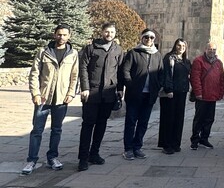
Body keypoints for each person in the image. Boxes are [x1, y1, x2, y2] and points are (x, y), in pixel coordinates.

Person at [21, 24, 79, 175]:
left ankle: (52, 158)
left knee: (56, 130)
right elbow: (34, 74)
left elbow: (74, 76)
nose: (61, 37)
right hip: (43, 98)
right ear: (54, 35)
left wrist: (71, 93)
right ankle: (31, 160)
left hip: (61, 99)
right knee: (37, 130)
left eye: (65, 35)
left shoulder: (73, 54)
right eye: (59, 34)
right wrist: (35, 93)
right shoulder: (43, 52)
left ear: (69, 36)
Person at [78, 22, 124, 171]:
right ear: (102, 32)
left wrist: (120, 89)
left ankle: (94, 153)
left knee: (102, 124)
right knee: (88, 124)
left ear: (115, 33)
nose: (109, 34)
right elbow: (83, 68)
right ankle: (83, 158)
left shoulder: (118, 50)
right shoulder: (91, 48)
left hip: (108, 93)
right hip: (92, 92)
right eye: (106, 32)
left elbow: (120, 71)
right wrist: (85, 88)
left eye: (112, 32)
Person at [121, 28, 163, 160]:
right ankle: (128, 148)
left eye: (151, 37)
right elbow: (125, 70)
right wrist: (131, 85)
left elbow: (161, 72)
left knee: (143, 122)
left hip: (149, 95)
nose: (149, 40)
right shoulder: (134, 53)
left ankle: (137, 147)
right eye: (146, 37)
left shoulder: (157, 55)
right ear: (142, 38)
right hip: (135, 94)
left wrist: (158, 86)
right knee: (131, 121)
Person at [190, 42, 224, 150]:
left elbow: (221, 79)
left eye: (214, 49)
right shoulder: (198, 61)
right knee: (199, 119)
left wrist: (221, 93)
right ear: (205, 49)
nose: (212, 51)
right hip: (202, 96)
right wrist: (198, 93)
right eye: (210, 49)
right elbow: (195, 78)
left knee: (209, 119)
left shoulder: (218, 63)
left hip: (213, 96)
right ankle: (195, 140)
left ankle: (204, 139)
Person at [158, 38, 191, 154]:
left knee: (179, 118)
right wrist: (169, 89)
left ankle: (176, 143)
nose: (181, 48)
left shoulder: (186, 61)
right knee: (169, 119)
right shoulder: (169, 58)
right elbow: (166, 74)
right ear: (175, 46)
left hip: (182, 92)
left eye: (183, 46)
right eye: (179, 45)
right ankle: (167, 145)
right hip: (170, 93)